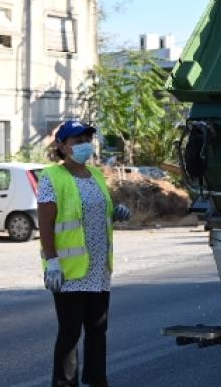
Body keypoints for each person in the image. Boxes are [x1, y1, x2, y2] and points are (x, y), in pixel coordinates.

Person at [38, 120, 129, 387]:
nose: (84, 145)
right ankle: (65, 383)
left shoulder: (96, 175)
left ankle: (97, 380)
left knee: (98, 329)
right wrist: (52, 262)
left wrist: (116, 213)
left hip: (98, 267)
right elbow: (46, 224)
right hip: (69, 270)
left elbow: (97, 211)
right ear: (63, 147)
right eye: (77, 141)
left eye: (87, 140)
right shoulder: (52, 178)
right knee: (70, 332)